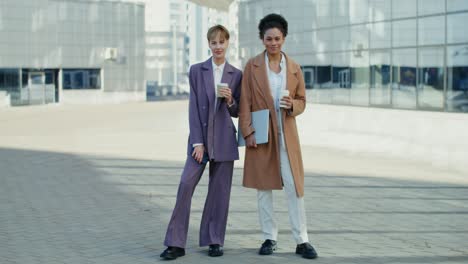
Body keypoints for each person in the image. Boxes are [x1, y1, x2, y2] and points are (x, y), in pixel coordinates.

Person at [238, 13, 318, 259]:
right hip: (262, 134)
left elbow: (303, 101)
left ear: (284, 38)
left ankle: (302, 240)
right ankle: (269, 237)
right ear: (262, 39)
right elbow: (245, 102)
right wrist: (248, 131)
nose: (273, 43)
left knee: (294, 187)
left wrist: (292, 104)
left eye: (277, 38)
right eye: (268, 38)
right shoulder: (252, 66)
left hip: (287, 135)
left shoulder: (294, 68)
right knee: (264, 188)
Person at [160, 25, 242, 260]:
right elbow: (193, 108)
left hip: (225, 141)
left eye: (222, 42)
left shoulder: (236, 74)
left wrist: (230, 100)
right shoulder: (197, 70)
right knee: (186, 186)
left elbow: (238, 111)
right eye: (213, 42)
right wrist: (197, 142)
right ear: (208, 44)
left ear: (228, 44)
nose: (218, 47)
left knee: (219, 193)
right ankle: (175, 243)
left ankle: (214, 240)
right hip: (201, 142)